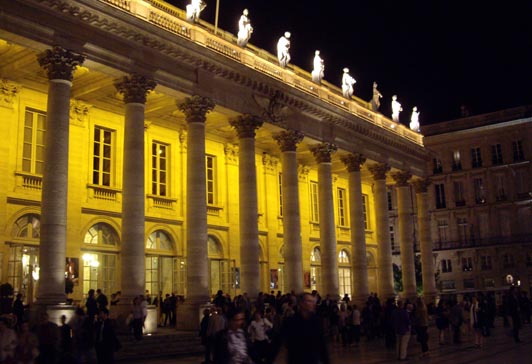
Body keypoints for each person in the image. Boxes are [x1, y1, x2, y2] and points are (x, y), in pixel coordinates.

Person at [277, 292, 329, 364]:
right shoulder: (291, 321)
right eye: (309, 301)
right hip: (296, 360)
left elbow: (322, 345)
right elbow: (278, 341)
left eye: (313, 301)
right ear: (301, 303)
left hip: (312, 360)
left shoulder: (316, 321)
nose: (313, 304)